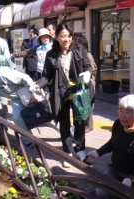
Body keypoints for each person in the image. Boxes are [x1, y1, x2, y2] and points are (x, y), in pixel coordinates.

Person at [34, 24, 92, 168]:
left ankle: (80, 149)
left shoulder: (79, 49)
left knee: (79, 122)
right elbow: (47, 75)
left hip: (78, 91)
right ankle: (67, 152)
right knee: (64, 124)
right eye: (63, 36)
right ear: (57, 37)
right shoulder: (51, 54)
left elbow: (88, 66)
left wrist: (88, 73)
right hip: (60, 93)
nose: (66, 39)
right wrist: (38, 84)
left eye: (69, 36)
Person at [85, 95, 134, 197]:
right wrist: (97, 153)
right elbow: (113, 143)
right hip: (116, 170)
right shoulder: (118, 124)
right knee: (101, 193)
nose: (122, 115)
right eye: (121, 110)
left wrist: (132, 178)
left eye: (127, 112)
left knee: (129, 196)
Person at [73, 33, 97, 133]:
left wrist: (88, 78)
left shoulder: (86, 54)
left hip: (88, 83)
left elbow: (93, 68)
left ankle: (88, 125)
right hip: (82, 83)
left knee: (88, 104)